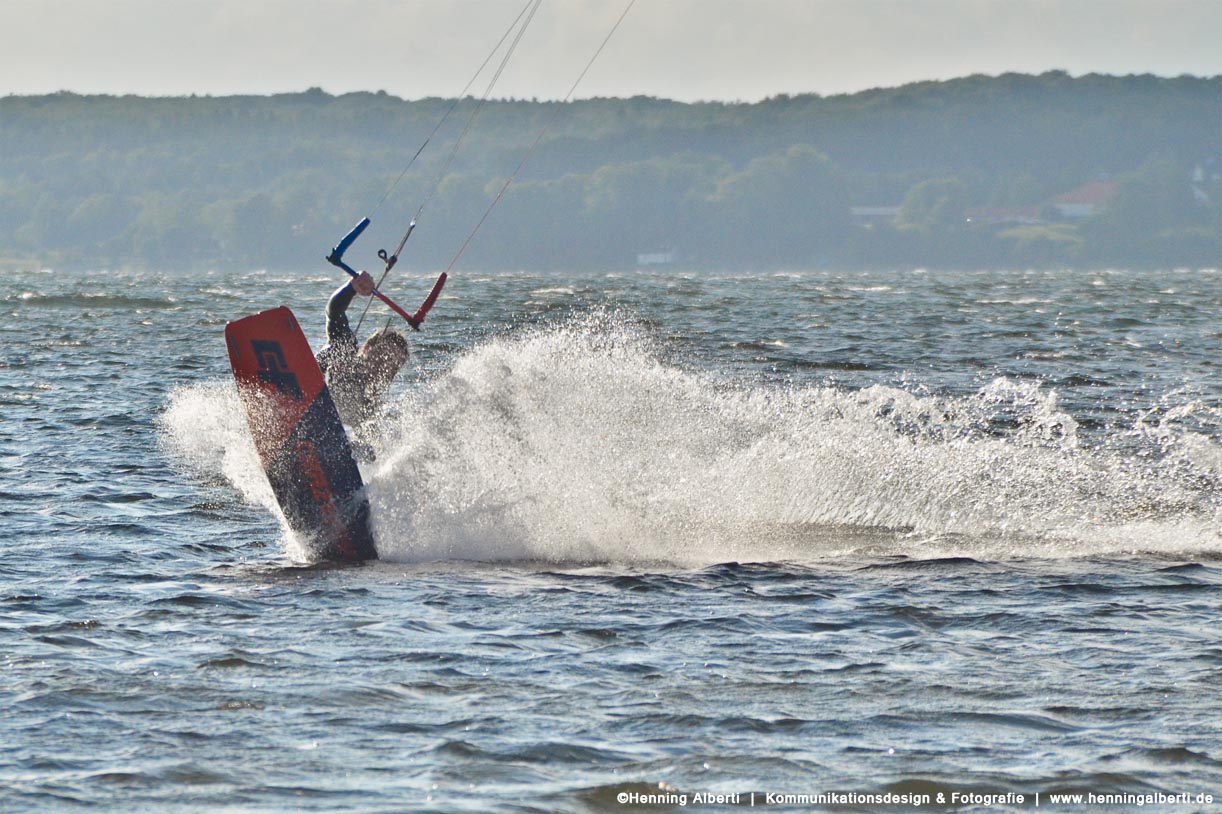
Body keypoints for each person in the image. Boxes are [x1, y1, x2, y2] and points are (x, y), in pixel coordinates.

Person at [317, 270, 411, 431]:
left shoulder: (370, 407)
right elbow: (333, 311)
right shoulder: (346, 349)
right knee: (335, 349)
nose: (384, 364)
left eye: (392, 364)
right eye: (383, 355)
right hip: (310, 386)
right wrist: (351, 287)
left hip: (322, 431)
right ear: (367, 347)